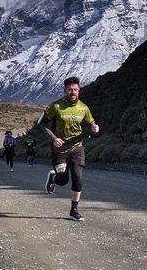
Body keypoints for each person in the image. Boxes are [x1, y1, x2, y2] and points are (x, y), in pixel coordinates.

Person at [37, 76, 99, 221]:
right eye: (70, 90)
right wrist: (53, 138)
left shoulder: (83, 108)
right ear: (65, 90)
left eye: (75, 90)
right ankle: (53, 177)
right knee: (62, 180)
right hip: (59, 150)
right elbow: (42, 123)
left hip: (77, 147)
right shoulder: (55, 106)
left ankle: (74, 210)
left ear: (79, 91)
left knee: (78, 177)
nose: (72, 92)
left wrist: (94, 127)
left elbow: (91, 122)